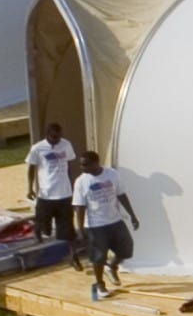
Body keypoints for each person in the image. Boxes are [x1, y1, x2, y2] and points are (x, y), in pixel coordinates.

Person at [71, 151, 139, 296]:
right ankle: (100, 285)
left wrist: (132, 215)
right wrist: (80, 228)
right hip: (95, 225)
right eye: (81, 165)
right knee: (98, 256)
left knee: (127, 249)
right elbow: (79, 206)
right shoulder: (81, 181)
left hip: (115, 220)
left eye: (85, 165)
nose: (82, 167)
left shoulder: (112, 174)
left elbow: (121, 194)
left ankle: (112, 266)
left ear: (96, 163)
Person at [25, 123, 82, 267]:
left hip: (64, 194)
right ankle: (38, 231)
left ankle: (73, 257)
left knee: (68, 229)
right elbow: (31, 168)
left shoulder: (66, 145)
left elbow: (69, 165)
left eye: (59, 137)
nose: (57, 140)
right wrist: (30, 188)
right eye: (54, 137)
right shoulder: (37, 149)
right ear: (47, 135)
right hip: (46, 194)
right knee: (43, 224)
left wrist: (71, 184)